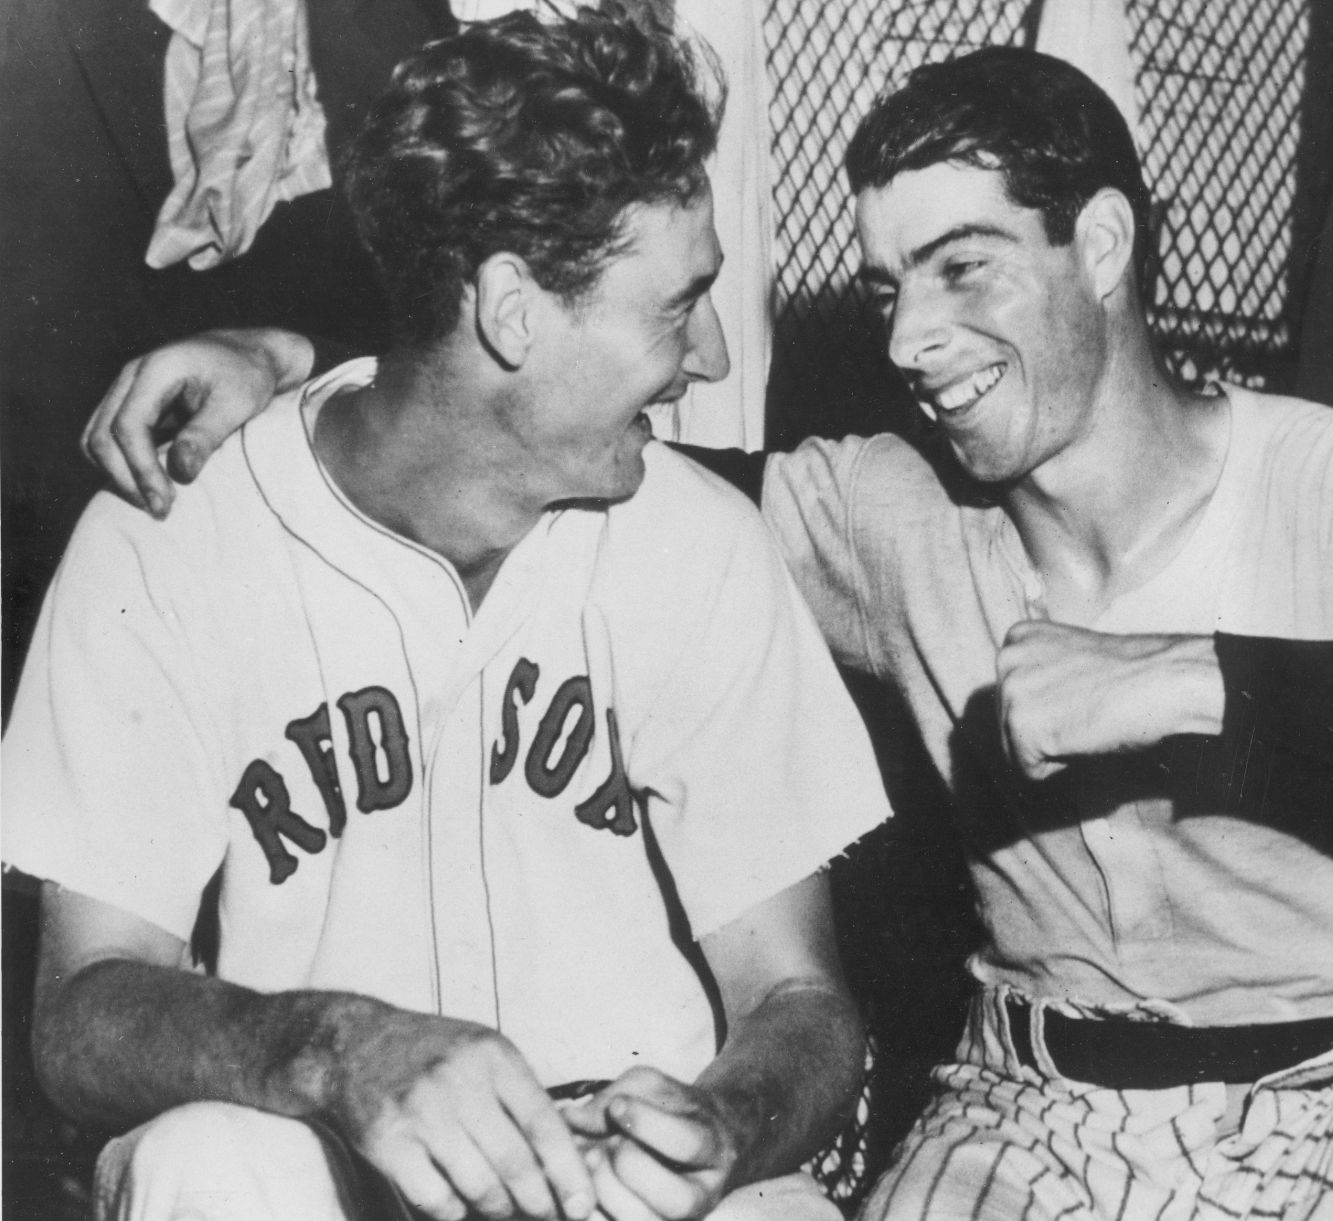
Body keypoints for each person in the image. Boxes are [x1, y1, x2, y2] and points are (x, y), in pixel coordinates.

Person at [76, 44, 1333, 1221]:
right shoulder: (881, 512)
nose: (913, 339)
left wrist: (1197, 681)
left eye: (965, 265)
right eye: (887, 285)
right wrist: (281, 349)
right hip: (1035, 1122)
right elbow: (521, 426)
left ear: (1104, 242)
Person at [2, 10, 896, 1221]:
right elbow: (83, 1007)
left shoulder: (700, 544)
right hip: (321, 1146)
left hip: (611, 1171)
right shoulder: (171, 535)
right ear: (513, 311)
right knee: (206, 1165)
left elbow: (798, 999)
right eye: (679, 306)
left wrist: (722, 1125)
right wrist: (335, 1051)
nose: (715, 359)